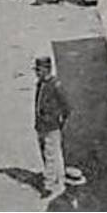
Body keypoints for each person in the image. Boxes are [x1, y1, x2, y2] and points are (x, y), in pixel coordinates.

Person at [33, 56, 71, 199]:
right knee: (49, 154)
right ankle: (58, 180)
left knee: (50, 155)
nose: (37, 73)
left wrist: (59, 121)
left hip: (51, 126)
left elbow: (67, 107)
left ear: (47, 69)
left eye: (39, 70)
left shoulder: (55, 85)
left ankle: (48, 185)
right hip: (41, 126)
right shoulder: (41, 84)